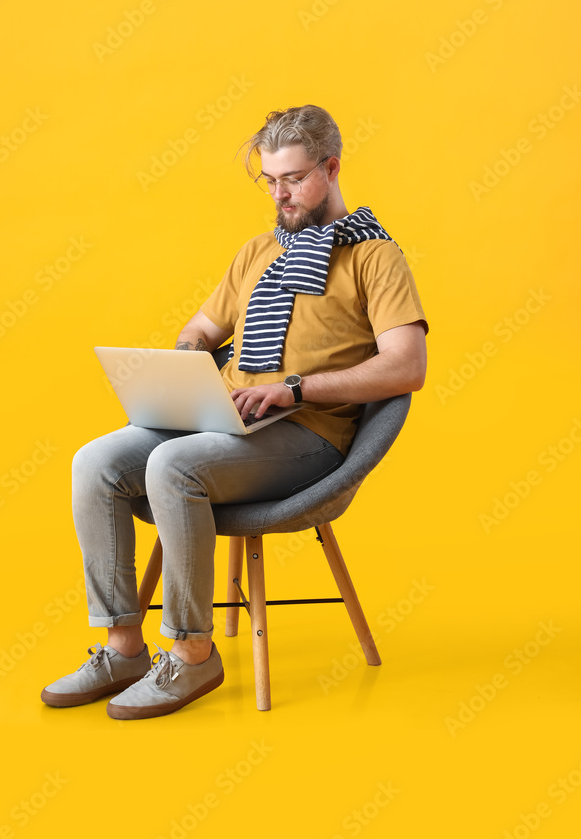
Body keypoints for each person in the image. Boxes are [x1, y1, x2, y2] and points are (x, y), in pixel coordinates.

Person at [40, 104, 429, 719]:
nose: (280, 194)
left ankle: (193, 656)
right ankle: (123, 647)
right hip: (226, 419)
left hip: (307, 434)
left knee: (173, 466)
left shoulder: (375, 258)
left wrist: (294, 388)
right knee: (97, 462)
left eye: (294, 179)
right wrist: (189, 365)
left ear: (330, 168)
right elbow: (198, 327)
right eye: (269, 181)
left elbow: (407, 366)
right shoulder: (258, 252)